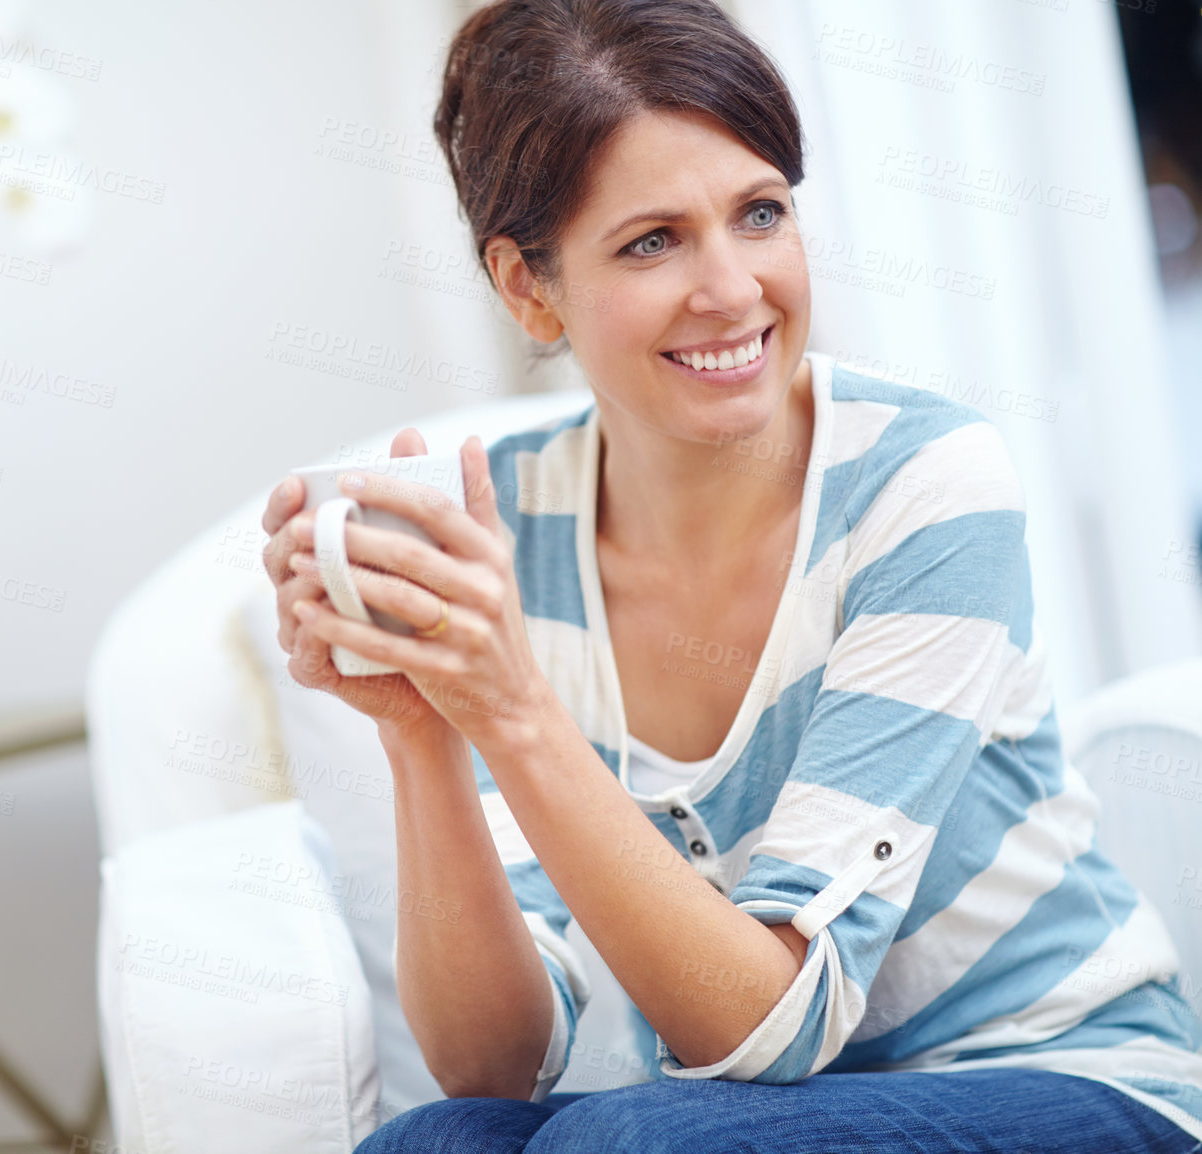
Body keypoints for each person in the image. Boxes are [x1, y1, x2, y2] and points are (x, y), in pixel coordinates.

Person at [257, 1, 1202, 1149]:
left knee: (638, 1138)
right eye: (651, 240)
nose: (733, 288)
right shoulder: (516, 530)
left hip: (1069, 1080)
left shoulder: (924, 483)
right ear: (526, 286)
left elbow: (775, 1026)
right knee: (430, 1140)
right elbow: (490, 1064)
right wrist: (424, 732)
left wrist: (506, 704)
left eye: (760, 213)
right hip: (751, 1117)